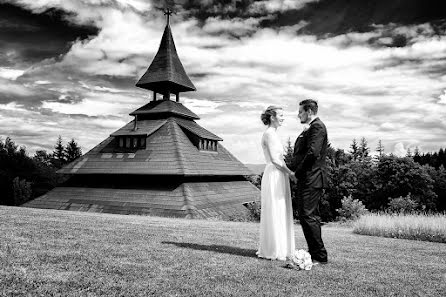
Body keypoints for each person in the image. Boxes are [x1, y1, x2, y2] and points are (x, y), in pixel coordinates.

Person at [291, 99, 329, 264]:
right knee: (306, 215)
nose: (298, 114)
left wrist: (296, 172)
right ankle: (315, 254)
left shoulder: (317, 127)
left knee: (308, 216)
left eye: (300, 111)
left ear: (309, 111)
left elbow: (313, 153)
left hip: (311, 178)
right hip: (307, 179)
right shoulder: (310, 128)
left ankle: (319, 256)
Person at [257, 106, 296, 262]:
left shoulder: (273, 134)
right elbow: (275, 159)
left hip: (278, 174)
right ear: (272, 117)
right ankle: (274, 248)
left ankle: (282, 247)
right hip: (274, 174)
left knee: (280, 208)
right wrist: (290, 173)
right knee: (275, 208)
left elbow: (280, 159)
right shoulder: (269, 134)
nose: (283, 118)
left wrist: (287, 171)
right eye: (280, 115)